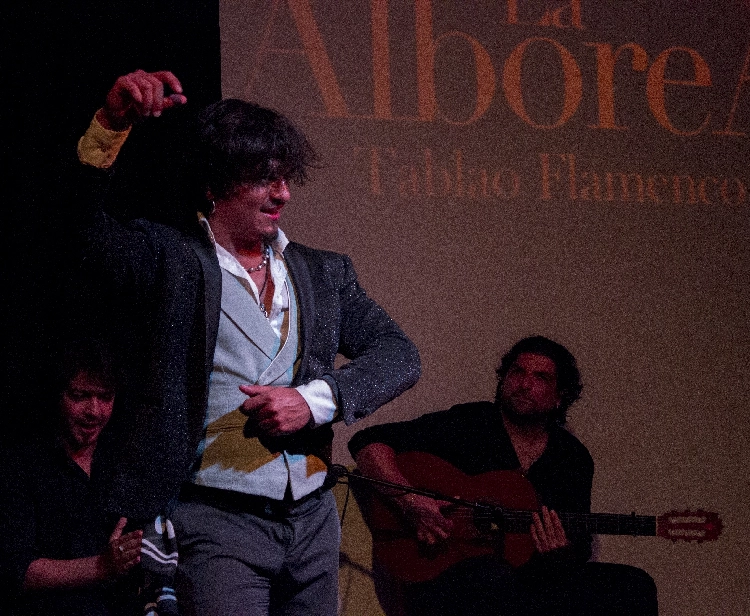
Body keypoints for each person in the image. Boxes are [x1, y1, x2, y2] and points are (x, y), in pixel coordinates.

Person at [71, 69, 421, 616]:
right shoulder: (175, 262)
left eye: (285, 177)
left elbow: (399, 355)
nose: (282, 192)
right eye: (263, 178)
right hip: (215, 521)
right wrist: (110, 127)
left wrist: (313, 400)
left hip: (311, 522)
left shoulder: (322, 273)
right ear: (214, 184)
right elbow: (81, 232)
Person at [349, 336, 657, 616]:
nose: (524, 384)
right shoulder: (470, 423)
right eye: (517, 372)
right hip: (447, 575)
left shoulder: (571, 458)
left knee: (634, 585)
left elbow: (578, 548)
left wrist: (561, 552)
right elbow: (367, 444)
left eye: (540, 377)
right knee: (492, 576)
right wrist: (410, 501)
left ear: (559, 397)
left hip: (533, 580)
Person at [0, 341, 142, 616]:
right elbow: (18, 571)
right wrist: (101, 567)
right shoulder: (22, 465)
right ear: (57, 394)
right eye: (80, 396)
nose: (95, 411)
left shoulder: (121, 463)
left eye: (105, 397)